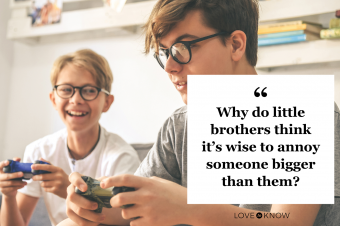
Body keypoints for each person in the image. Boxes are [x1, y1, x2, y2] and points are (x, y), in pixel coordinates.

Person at [59, 0, 339, 226]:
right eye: (165, 52)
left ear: (236, 45)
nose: (170, 66)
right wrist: (89, 206)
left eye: (182, 48)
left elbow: (286, 223)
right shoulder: (180, 127)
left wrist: (189, 208)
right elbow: (127, 212)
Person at [0, 49, 141, 226]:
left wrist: (69, 188)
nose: (76, 99)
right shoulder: (39, 150)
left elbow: (128, 216)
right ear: (53, 99)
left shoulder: (121, 156)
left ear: (107, 102)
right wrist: (8, 196)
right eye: (66, 89)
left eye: (89, 91)